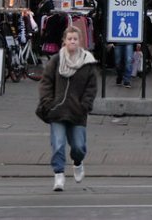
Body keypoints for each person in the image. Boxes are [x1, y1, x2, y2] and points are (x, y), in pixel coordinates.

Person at [36, 26, 99, 192]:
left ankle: (78, 163)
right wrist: (48, 102)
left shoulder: (87, 62)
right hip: (57, 111)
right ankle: (59, 174)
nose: (72, 41)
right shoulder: (56, 60)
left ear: (80, 42)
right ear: (64, 41)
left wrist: (85, 105)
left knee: (78, 146)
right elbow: (46, 82)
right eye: (69, 38)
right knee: (57, 144)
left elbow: (91, 88)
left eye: (75, 39)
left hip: (77, 112)